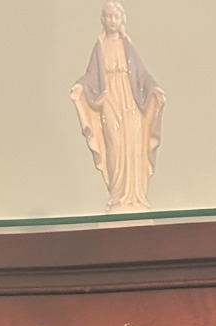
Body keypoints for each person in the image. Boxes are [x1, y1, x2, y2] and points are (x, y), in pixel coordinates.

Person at [70, 3, 166, 211]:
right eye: (109, 17)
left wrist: (155, 88)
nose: (112, 20)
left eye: (116, 16)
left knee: (132, 144)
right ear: (103, 20)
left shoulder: (127, 46)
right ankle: (118, 193)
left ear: (121, 20)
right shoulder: (100, 46)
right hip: (110, 99)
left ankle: (134, 194)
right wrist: (80, 86)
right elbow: (91, 76)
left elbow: (143, 75)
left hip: (130, 101)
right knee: (114, 144)